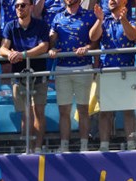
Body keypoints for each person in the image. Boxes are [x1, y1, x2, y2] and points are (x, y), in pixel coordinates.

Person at [0, 0, 51, 151]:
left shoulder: (41, 25)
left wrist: (22, 54)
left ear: (31, 6)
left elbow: (44, 47)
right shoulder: (10, 26)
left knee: (38, 111)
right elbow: (2, 48)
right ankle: (27, 148)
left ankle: (37, 147)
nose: (19, 8)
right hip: (19, 76)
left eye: (23, 5)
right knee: (25, 113)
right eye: (16, 6)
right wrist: (11, 54)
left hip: (39, 74)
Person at [48, 0, 97, 152]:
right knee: (64, 111)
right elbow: (51, 42)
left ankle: (84, 146)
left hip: (83, 67)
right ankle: (64, 146)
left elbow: (95, 42)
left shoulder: (89, 16)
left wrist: (86, 48)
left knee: (83, 109)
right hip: (62, 67)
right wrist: (52, 48)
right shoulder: (57, 17)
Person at [91, 0, 136, 151]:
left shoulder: (130, 19)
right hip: (107, 70)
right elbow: (93, 37)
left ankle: (131, 145)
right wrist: (99, 21)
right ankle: (104, 146)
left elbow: (133, 36)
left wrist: (123, 20)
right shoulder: (104, 19)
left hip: (127, 70)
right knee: (105, 111)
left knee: (128, 110)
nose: (111, 1)